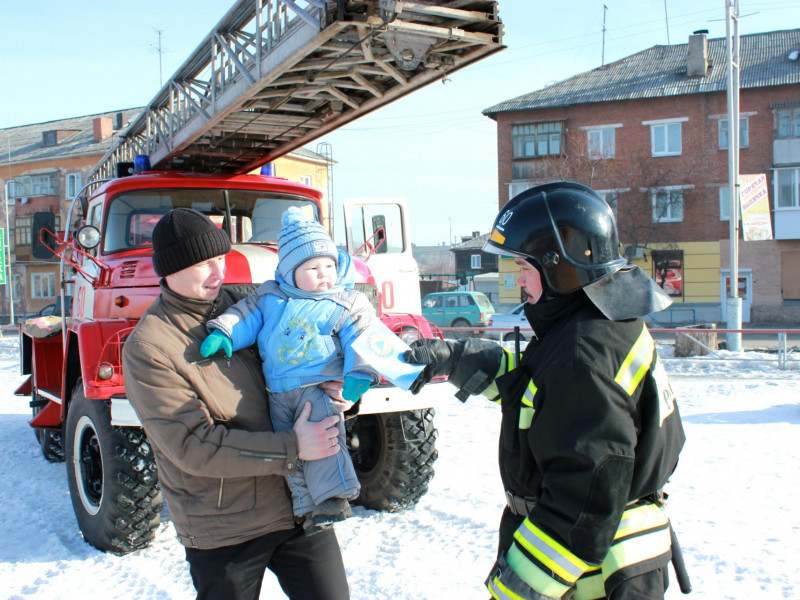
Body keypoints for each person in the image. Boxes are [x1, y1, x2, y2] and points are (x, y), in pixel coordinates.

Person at [404, 181, 687, 600]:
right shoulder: (595, 322)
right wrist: (456, 357)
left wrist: (515, 592)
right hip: (610, 557)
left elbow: (582, 501)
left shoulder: (582, 352)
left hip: (589, 575)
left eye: (525, 266)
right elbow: (542, 392)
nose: (519, 280)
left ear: (559, 265)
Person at [122, 207, 351, 600]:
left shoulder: (254, 304)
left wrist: (336, 388)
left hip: (298, 503)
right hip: (226, 527)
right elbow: (192, 446)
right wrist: (295, 447)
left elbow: (304, 364)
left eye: (220, 259)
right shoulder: (150, 347)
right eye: (202, 264)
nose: (218, 273)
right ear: (171, 269)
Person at [200, 206, 379, 535]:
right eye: (312, 267)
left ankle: (334, 498)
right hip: (277, 392)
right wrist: (224, 332)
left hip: (318, 385)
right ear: (289, 270)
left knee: (324, 440)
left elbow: (363, 336)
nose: (324, 273)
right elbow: (246, 314)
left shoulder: (344, 301)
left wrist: (358, 374)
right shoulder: (270, 295)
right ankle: (306, 508)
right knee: (292, 451)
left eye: (329, 265)